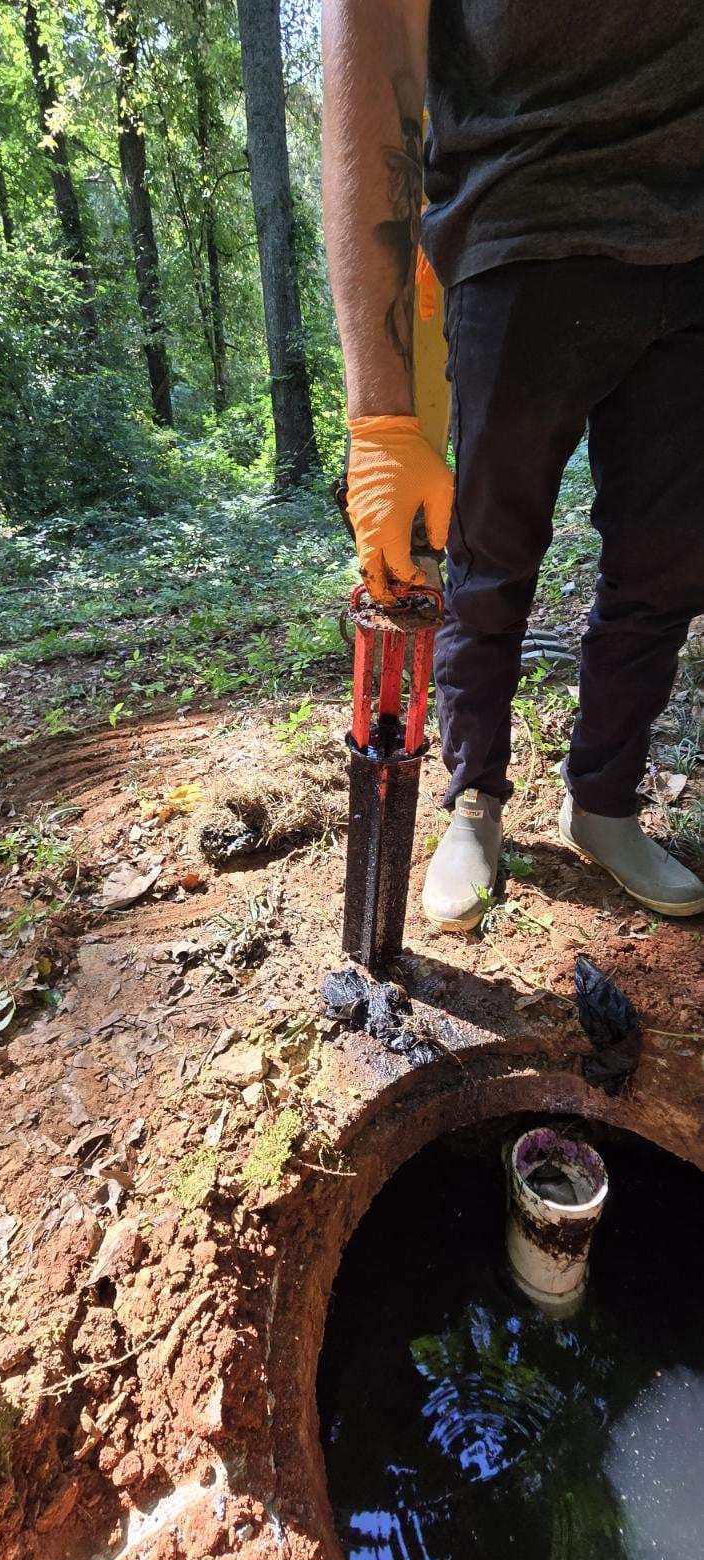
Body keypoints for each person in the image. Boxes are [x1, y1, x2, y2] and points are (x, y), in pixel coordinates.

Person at [322, 0, 704, 930]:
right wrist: (380, 414)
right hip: (518, 229)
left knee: (665, 566)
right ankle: (473, 805)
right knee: (487, 557)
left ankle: (604, 804)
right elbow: (371, 56)